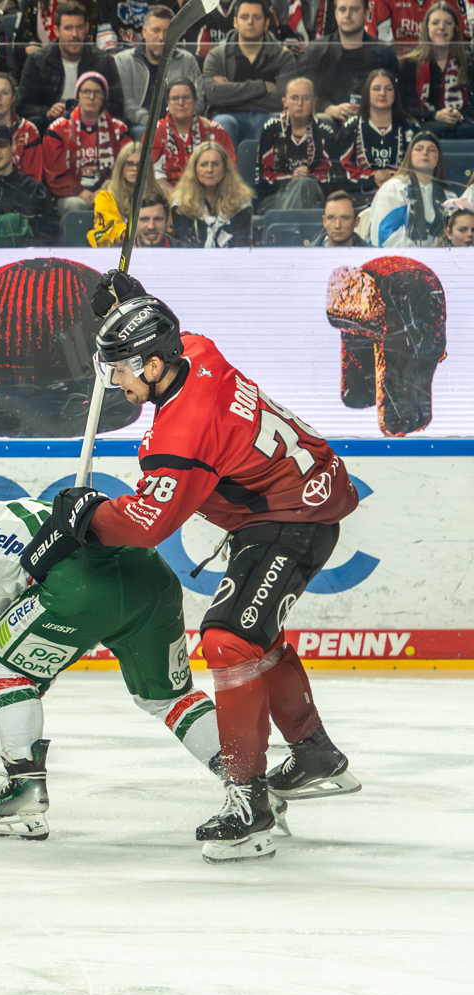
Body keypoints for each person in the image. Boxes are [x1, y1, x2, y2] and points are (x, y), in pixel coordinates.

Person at [20, 277, 362, 862]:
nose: (116, 381)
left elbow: (145, 525)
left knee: (229, 641)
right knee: (255, 634)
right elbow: (165, 333)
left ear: (154, 365)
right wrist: (130, 307)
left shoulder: (184, 432)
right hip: (295, 497)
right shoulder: (196, 349)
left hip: (293, 516)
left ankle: (248, 804)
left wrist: (89, 514)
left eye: (121, 370)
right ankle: (314, 754)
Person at [0, 464, 221, 842]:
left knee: (0, 664)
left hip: (81, 587)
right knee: (170, 697)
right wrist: (30, 678)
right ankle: (248, 783)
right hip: (150, 574)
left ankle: (24, 786)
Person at [18, 3, 125, 128]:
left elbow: (116, 104)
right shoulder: (37, 61)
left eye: (79, 27)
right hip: (49, 127)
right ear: (57, 31)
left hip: (92, 126)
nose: (75, 34)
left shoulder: (103, 61)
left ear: (87, 28)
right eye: (68, 28)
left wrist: (89, 111)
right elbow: (23, 104)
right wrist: (47, 112)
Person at [201, 0, 290, 146]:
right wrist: (263, 87)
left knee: (276, 122)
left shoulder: (282, 57)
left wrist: (230, 93)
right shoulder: (217, 56)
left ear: (266, 23)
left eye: (256, 17)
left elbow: (283, 100)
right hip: (228, 117)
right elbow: (213, 96)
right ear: (235, 22)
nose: (250, 22)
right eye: (244, 17)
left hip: (268, 115)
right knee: (222, 122)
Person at [45, 69, 131, 211]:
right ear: (78, 95)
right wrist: (79, 191)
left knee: (115, 201)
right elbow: (54, 173)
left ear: (104, 97)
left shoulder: (119, 129)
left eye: (97, 92)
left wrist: (108, 186)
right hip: (71, 194)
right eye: (86, 92)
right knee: (75, 205)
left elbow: (126, 167)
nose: (91, 97)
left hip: (109, 189)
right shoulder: (57, 130)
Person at [301, 0, 397, 121]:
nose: (347, 15)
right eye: (342, 10)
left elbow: (397, 96)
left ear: (367, 13)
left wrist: (370, 109)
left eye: (354, 9)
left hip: (371, 121)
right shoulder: (316, 51)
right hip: (327, 122)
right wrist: (328, 108)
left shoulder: (384, 54)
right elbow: (304, 90)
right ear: (336, 14)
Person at [256, 77, 341, 210]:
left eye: (306, 98)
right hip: (276, 198)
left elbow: (333, 179)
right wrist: (291, 178)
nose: (300, 103)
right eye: (294, 98)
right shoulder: (271, 131)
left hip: (316, 197)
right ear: (285, 102)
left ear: (314, 102)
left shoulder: (325, 132)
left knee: (306, 185)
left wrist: (309, 178)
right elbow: (262, 179)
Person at [363, 129, 461, 242]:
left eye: (432, 150)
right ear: (410, 155)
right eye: (419, 149)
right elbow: (385, 235)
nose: (425, 153)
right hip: (401, 252)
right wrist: (418, 253)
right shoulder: (394, 188)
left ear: (439, 156)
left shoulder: (449, 196)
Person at [115, 4, 201, 132]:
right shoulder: (124, 61)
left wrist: (174, 122)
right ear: (144, 32)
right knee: (141, 132)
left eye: (168, 32)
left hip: (180, 124)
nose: (161, 38)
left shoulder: (187, 61)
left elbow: (198, 100)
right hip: (141, 126)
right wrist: (154, 124)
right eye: (156, 30)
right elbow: (127, 105)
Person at [336, 67, 415, 197]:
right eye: (376, 88)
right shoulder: (352, 127)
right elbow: (340, 169)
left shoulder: (409, 126)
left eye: (388, 89)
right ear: (367, 93)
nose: (382, 93)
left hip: (401, 195)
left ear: (395, 93)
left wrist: (392, 177)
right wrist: (371, 181)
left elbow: (418, 168)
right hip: (361, 196)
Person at [398, 3, 474, 138]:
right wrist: (434, 115)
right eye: (435, 22)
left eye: (448, 23)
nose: (441, 27)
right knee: (431, 131)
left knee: (466, 131)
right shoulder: (410, 64)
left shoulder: (469, 62)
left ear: (456, 28)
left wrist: (460, 115)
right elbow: (406, 105)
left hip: (462, 124)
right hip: (425, 123)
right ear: (426, 27)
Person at [146, 80, 232, 191]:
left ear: (195, 101)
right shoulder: (155, 132)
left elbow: (229, 171)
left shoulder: (215, 130)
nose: (181, 103)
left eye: (186, 98)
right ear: (168, 103)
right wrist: (175, 198)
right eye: (175, 98)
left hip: (209, 194)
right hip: (166, 196)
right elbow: (148, 175)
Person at [168, 138, 256, 245]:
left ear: (225, 168)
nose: (209, 170)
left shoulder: (241, 203)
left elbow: (241, 246)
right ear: (194, 169)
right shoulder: (180, 204)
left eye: (215, 164)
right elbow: (184, 246)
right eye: (204, 164)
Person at [87, 141, 141, 244]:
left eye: (139, 165)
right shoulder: (105, 197)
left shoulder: (157, 196)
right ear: (121, 167)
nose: (134, 169)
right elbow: (105, 231)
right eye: (129, 164)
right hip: (116, 249)